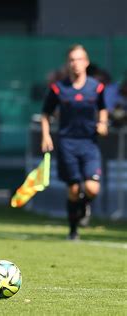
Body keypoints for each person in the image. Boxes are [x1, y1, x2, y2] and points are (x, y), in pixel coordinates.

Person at [40, 44, 108, 240]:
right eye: (71, 60)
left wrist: (103, 122)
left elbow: (103, 108)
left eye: (79, 59)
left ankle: (84, 204)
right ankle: (73, 231)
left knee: (92, 188)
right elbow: (46, 114)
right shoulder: (59, 88)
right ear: (67, 64)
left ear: (86, 63)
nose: (75, 64)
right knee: (73, 189)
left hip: (89, 143)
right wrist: (46, 135)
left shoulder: (96, 87)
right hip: (67, 143)